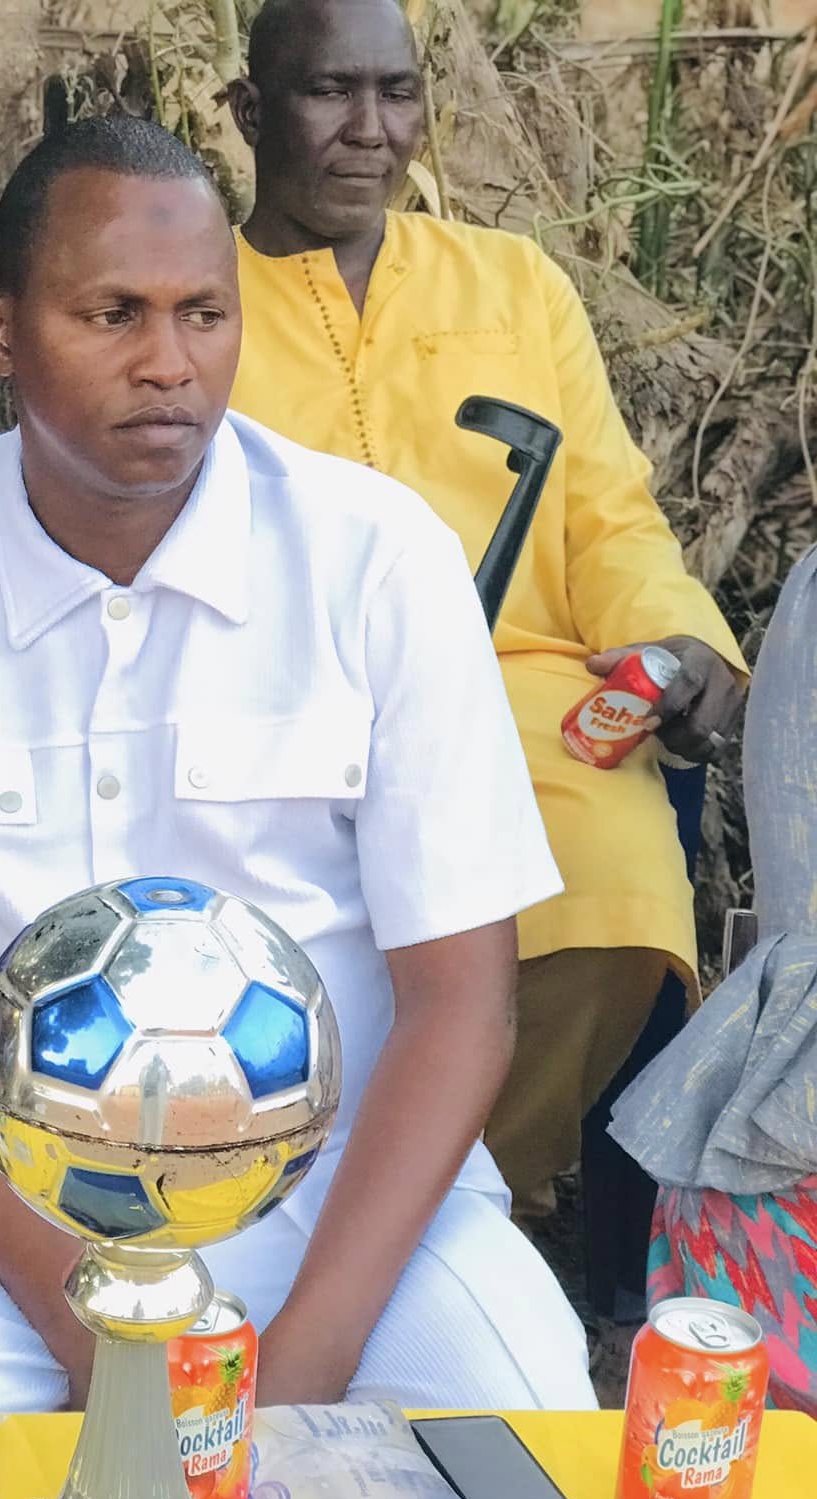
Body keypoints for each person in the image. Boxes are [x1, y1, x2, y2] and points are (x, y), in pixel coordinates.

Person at [0, 114, 597, 1413]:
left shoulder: (380, 563)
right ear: (1, 335)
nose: (169, 364)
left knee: (526, 1428)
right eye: (112, 314)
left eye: (203, 314)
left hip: (350, 1196)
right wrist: (88, 1332)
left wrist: (310, 1359)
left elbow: (462, 1004)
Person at [224, 0, 747, 1219]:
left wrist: (679, 643)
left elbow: (605, 515)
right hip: (275, 703)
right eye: (326, 94)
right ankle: (273, 1200)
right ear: (250, 112)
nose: (370, 131)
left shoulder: (513, 282)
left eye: (396, 93)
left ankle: (452, 1198)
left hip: (514, 689)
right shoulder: (195, 296)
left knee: (618, 888)